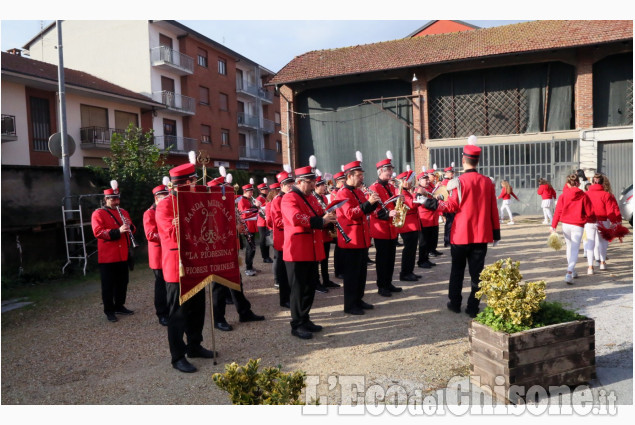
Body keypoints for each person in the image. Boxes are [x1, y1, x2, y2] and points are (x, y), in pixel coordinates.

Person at [422, 135, 501, 318]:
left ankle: (455, 303)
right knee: (477, 274)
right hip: (481, 235)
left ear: (463, 160)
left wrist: (429, 203)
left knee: (457, 271)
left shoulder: (457, 182)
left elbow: (451, 206)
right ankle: (473, 307)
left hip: (461, 235)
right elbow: (493, 210)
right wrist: (496, 233)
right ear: (477, 160)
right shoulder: (487, 182)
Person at [155, 162, 217, 373]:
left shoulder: (194, 202)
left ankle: (194, 345)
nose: (195, 185)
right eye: (192, 181)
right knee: (178, 314)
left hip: (196, 264)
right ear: (183, 183)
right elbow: (171, 236)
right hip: (177, 266)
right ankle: (177, 356)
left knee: (197, 309)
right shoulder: (164, 205)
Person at [282, 164, 337, 339]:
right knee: (298, 290)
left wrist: (330, 216)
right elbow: (296, 218)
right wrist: (321, 221)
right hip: (297, 252)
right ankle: (296, 324)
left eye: (314, 181)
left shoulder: (311, 197)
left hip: (311, 250)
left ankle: (305, 319)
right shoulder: (289, 198)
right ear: (300, 181)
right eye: (311, 182)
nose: (314, 185)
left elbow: (319, 213)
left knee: (309, 288)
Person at [207, 177, 265, 331]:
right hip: (217, 250)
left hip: (230, 247)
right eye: (225, 189)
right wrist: (235, 227)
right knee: (218, 285)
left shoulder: (227, 204)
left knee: (236, 281)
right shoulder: (208, 206)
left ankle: (244, 312)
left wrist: (238, 225)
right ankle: (219, 319)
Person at [335, 154, 381, 315]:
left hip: (361, 238)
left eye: (362, 175)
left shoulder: (358, 192)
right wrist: (369, 203)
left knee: (361, 273)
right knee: (352, 275)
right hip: (351, 240)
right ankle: (350, 304)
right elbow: (351, 213)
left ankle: (358, 299)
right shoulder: (343, 194)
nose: (362, 178)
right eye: (359, 175)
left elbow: (365, 210)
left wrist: (373, 204)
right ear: (349, 176)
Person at [91, 181, 136, 323]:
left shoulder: (123, 212)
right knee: (108, 285)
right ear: (106, 199)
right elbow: (98, 232)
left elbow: (132, 229)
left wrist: (130, 227)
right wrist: (118, 231)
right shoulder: (98, 213)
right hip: (108, 256)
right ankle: (109, 310)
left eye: (117, 198)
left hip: (123, 254)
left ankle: (119, 305)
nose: (116, 201)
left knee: (123, 282)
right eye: (112, 199)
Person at [551, 173, 595, 284]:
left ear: (568, 184)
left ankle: (572, 270)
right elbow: (590, 213)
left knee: (569, 248)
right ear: (579, 184)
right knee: (575, 249)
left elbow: (558, 211)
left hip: (565, 224)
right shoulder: (584, 195)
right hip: (578, 225)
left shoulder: (563, 196)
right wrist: (587, 219)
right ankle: (569, 272)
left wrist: (553, 226)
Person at [368, 152, 402, 297]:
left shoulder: (389, 186)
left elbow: (393, 202)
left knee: (391, 258)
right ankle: (382, 286)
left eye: (391, 169)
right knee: (382, 259)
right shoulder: (374, 188)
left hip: (391, 228)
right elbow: (373, 210)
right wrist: (388, 214)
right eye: (389, 170)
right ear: (381, 170)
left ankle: (388, 282)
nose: (391, 172)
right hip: (381, 229)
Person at [143, 182, 170, 326]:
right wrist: (169, 235)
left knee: (170, 284)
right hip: (159, 255)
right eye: (163, 197)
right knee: (160, 285)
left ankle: (171, 309)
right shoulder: (149, 213)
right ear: (156, 198)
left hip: (169, 254)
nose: (166, 199)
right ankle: (162, 313)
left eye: (167, 196)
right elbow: (150, 234)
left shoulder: (169, 210)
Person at [585, 173, 621, 272]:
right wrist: (615, 222)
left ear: (592, 182)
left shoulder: (586, 194)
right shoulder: (606, 194)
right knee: (603, 243)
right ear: (602, 182)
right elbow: (610, 211)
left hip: (590, 221)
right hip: (603, 220)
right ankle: (602, 262)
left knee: (590, 243)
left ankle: (590, 267)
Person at [270, 168, 294, 308]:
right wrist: (294, 221)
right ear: (281, 186)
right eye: (287, 184)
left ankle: (291, 296)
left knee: (290, 272)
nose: (290, 185)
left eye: (291, 182)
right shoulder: (277, 200)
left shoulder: (290, 197)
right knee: (283, 272)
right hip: (282, 241)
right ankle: (284, 299)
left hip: (290, 239)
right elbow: (278, 221)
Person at [313, 173, 341, 291]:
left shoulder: (324, 197)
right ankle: (316, 282)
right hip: (319, 231)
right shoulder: (313, 198)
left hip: (326, 231)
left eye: (324, 185)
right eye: (322, 185)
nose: (325, 187)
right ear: (316, 186)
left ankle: (326, 280)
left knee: (325, 258)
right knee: (317, 259)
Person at [395, 170, 421, 282]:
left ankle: (409, 271)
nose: (411, 183)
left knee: (412, 250)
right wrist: (419, 194)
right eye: (409, 181)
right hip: (408, 225)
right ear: (403, 182)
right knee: (408, 251)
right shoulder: (401, 192)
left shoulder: (406, 191)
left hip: (412, 224)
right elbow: (411, 204)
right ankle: (405, 273)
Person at [237, 182, 259, 276]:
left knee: (252, 247)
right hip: (247, 226)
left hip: (251, 225)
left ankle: (250, 265)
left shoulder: (247, 200)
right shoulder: (242, 201)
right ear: (245, 191)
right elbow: (244, 214)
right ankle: (248, 268)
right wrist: (256, 207)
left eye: (252, 192)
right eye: (250, 192)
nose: (252, 194)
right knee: (250, 247)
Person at [330, 170, 347, 279]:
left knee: (343, 248)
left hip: (343, 222)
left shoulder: (342, 191)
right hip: (337, 222)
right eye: (343, 181)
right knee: (339, 249)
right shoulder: (334, 193)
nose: (345, 182)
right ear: (338, 182)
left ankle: (343, 269)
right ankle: (338, 270)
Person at [256, 181, 273, 264]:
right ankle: (264, 257)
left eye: (266, 188)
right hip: (262, 222)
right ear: (260, 190)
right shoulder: (259, 199)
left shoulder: (266, 198)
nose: (266, 190)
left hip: (266, 221)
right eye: (264, 189)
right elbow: (259, 211)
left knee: (267, 239)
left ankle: (267, 256)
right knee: (263, 240)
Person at [441, 163, 456, 248]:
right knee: (449, 224)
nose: (452, 174)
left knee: (451, 224)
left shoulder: (450, 181)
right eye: (451, 172)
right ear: (446, 173)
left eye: (452, 172)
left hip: (451, 205)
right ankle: (447, 241)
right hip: (448, 205)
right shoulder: (445, 182)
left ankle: (449, 240)